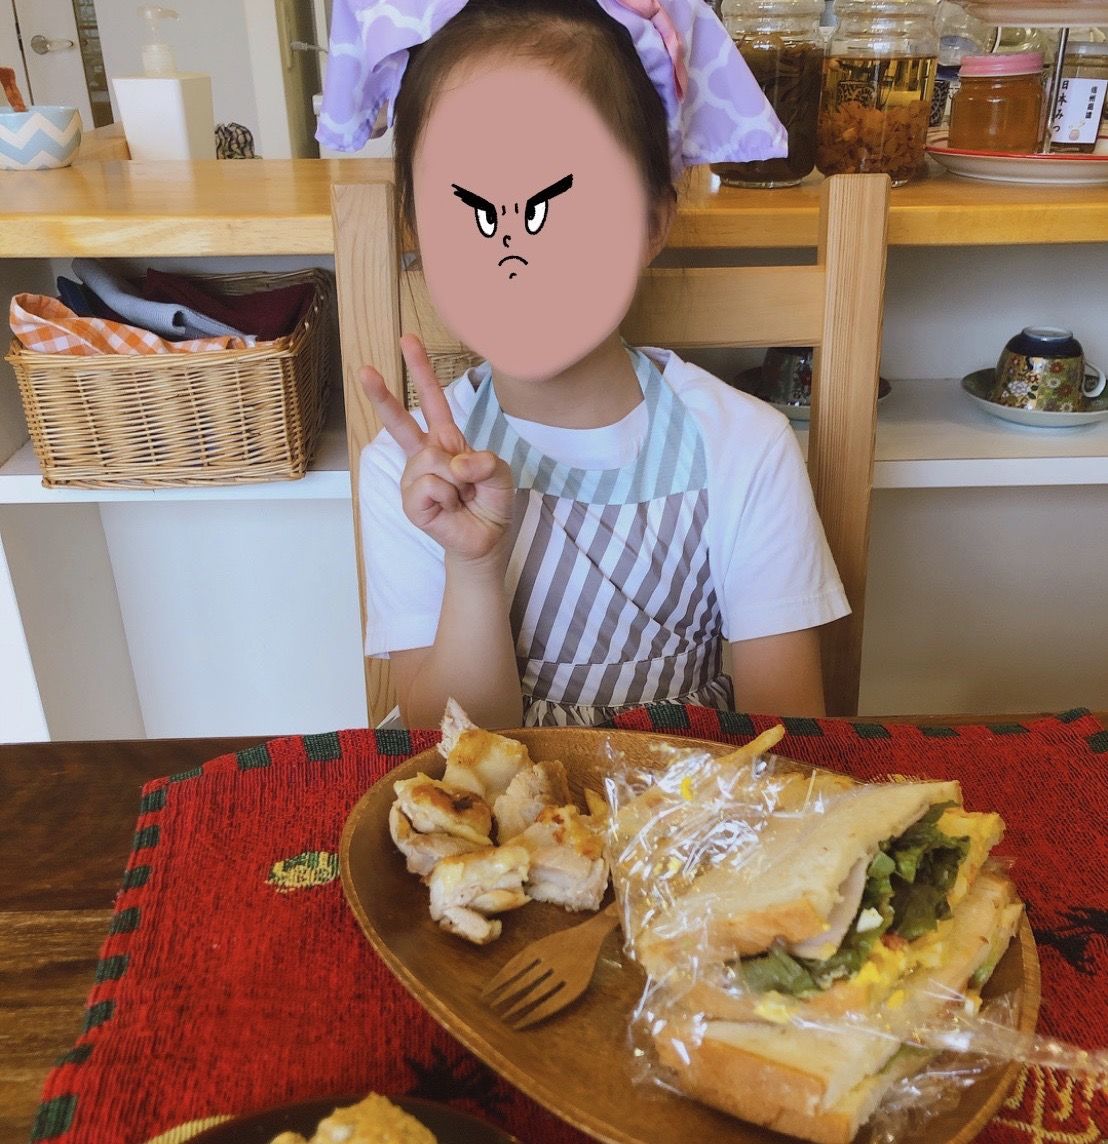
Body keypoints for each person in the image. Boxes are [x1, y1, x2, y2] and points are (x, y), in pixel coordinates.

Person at [318, 0, 850, 729]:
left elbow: (784, 736)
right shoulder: (407, 476)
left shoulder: (744, 447)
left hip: (689, 791)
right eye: (478, 214)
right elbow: (446, 746)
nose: (513, 252)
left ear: (651, 221)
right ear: (421, 228)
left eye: (548, 210)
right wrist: (472, 568)